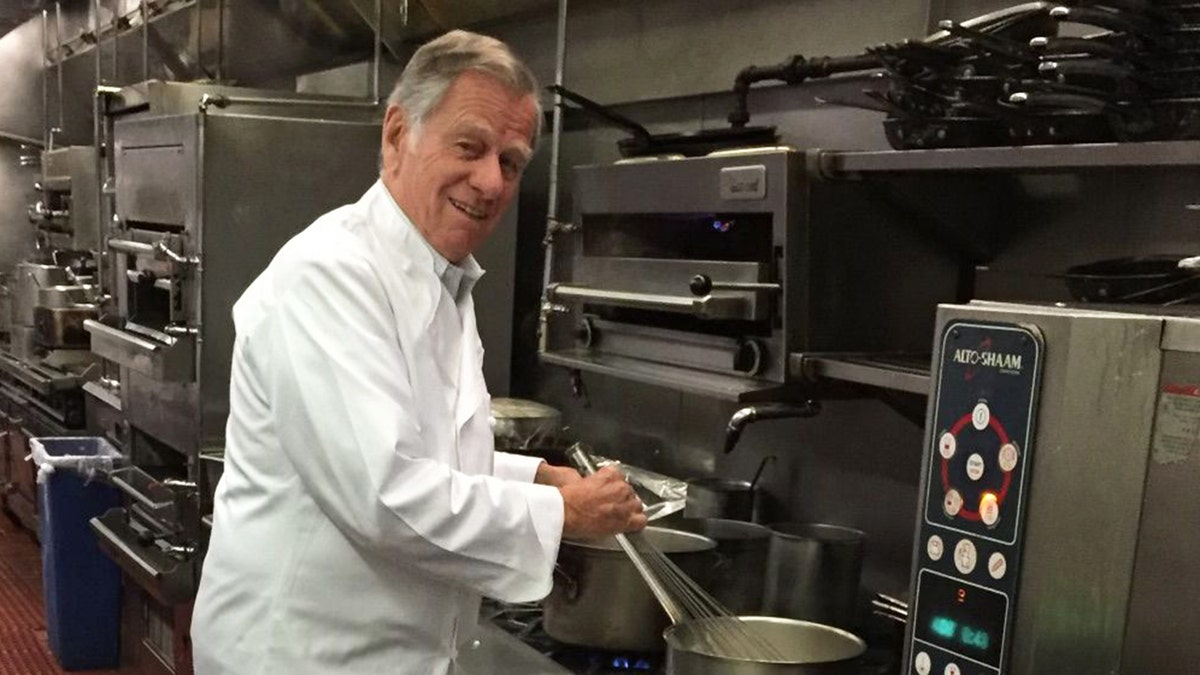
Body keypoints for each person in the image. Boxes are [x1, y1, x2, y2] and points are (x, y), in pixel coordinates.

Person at [191, 30, 647, 675]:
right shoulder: (331, 274)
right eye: (470, 147)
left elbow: (425, 450)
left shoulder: (441, 281)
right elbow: (384, 495)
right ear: (397, 133)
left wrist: (536, 478)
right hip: (300, 654)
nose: (490, 181)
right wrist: (564, 512)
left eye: (511, 162)